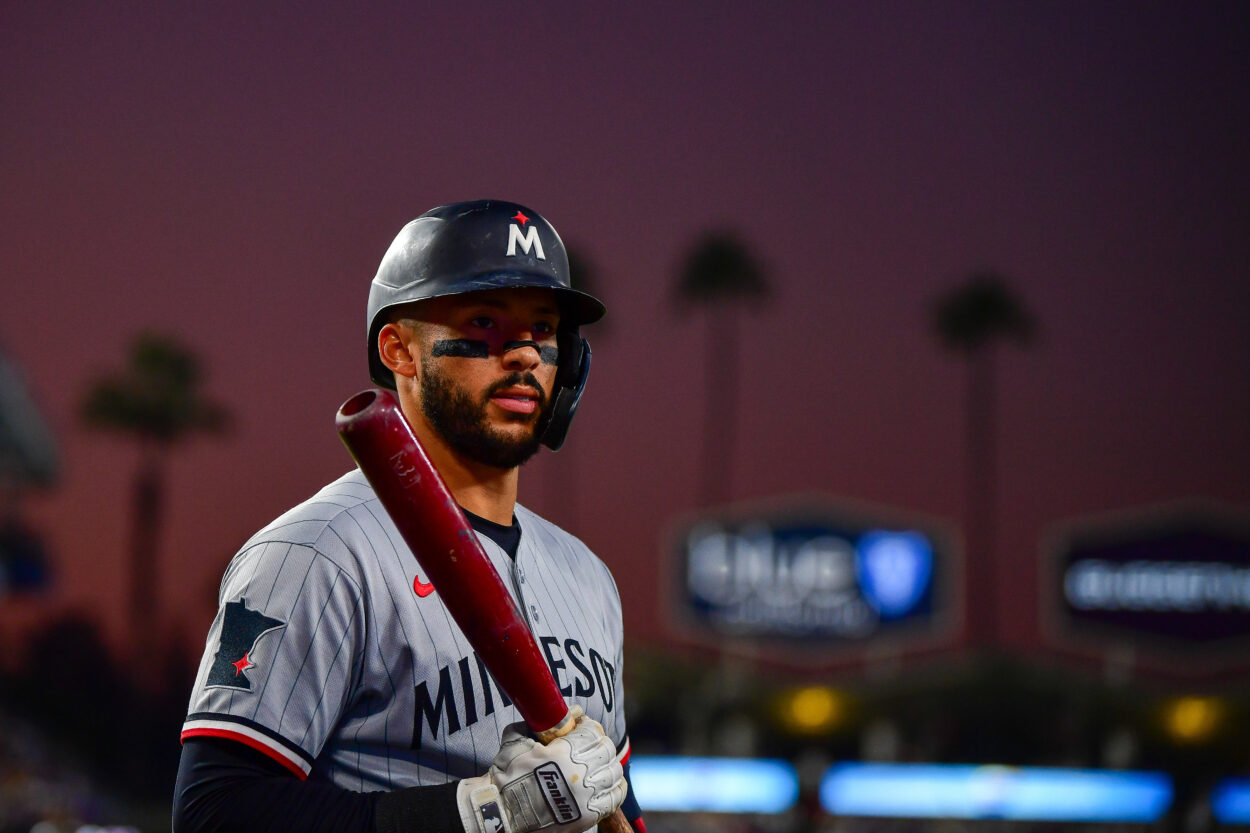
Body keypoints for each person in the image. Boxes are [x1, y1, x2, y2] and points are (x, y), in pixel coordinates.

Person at [173, 200, 645, 833]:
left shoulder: (588, 578)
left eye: (542, 329)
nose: (526, 355)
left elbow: (613, 801)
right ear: (398, 349)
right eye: (484, 321)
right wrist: (481, 814)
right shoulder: (315, 553)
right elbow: (214, 814)